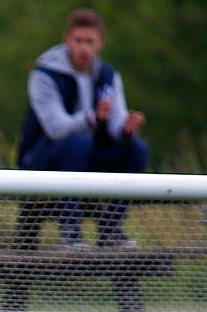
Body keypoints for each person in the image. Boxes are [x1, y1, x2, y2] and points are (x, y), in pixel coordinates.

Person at [15, 8, 149, 250]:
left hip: (86, 159)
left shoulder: (108, 75)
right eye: (78, 41)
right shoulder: (44, 74)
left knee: (137, 149)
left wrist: (127, 129)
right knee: (79, 143)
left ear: (100, 43)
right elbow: (56, 129)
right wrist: (91, 118)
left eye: (90, 41)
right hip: (43, 161)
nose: (83, 48)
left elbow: (116, 124)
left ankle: (110, 230)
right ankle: (70, 232)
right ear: (67, 40)